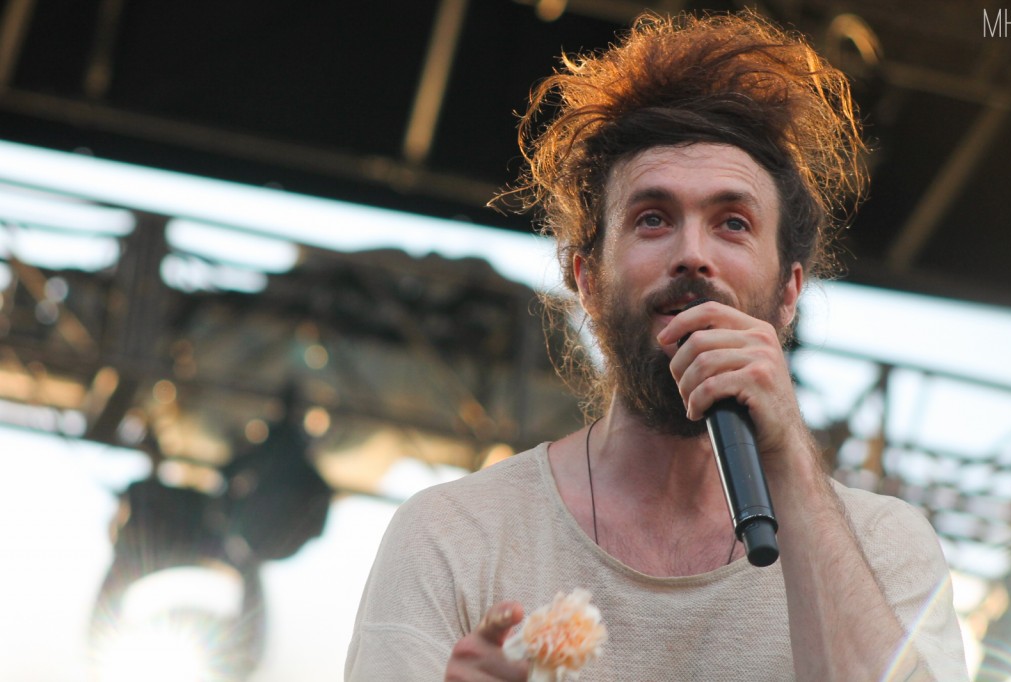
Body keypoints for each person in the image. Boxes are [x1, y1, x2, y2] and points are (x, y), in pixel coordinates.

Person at [345, 10, 968, 681]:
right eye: (652, 219)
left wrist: (786, 446)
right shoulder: (453, 536)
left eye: (733, 223)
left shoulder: (885, 548)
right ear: (585, 280)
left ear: (790, 293)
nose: (693, 255)